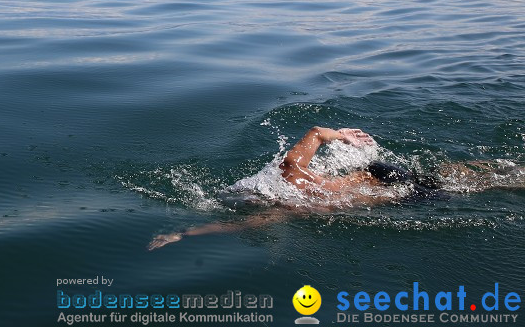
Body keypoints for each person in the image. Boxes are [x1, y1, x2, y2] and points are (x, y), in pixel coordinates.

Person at [148, 126, 521, 250]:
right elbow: (315, 132)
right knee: (455, 172)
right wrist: (342, 136)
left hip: (399, 195)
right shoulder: (292, 170)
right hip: (379, 171)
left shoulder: (290, 206)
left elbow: (238, 225)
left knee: (476, 187)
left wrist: (183, 233)